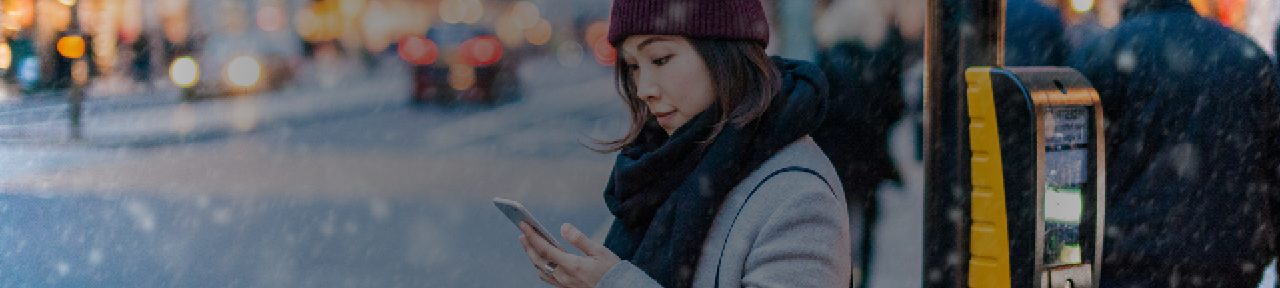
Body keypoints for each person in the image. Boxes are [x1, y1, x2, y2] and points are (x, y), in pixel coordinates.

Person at [513, 1, 852, 288]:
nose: (644, 87)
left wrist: (615, 282)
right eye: (632, 66)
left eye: (660, 59)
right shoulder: (670, 162)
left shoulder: (797, 197)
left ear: (724, 51)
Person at [1067, 0, 1280, 286]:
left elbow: (1069, 176)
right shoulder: (1250, 60)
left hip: (1126, 265)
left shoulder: (1101, 56)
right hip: (1228, 266)